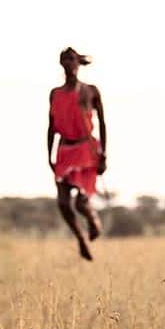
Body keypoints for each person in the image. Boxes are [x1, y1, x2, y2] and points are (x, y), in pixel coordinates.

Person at [47, 47, 107, 261]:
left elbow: (102, 122)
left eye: (72, 59)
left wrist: (104, 155)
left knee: (81, 203)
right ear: (61, 64)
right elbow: (51, 126)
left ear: (78, 63)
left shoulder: (90, 91)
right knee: (63, 203)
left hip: (86, 149)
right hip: (64, 149)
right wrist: (49, 156)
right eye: (65, 59)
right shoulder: (55, 93)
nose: (69, 63)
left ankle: (93, 221)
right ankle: (81, 239)